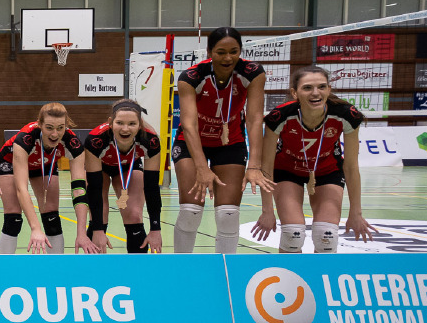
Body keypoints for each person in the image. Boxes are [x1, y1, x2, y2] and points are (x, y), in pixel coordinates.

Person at [251, 66, 375, 253]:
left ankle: (320, 271)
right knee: (293, 235)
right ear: (295, 93)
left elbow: (350, 167)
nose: (315, 93)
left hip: (327, 170)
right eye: (307, 88)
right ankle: (290, 271)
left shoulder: (346, 115)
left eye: (322, 87)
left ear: (329, 89)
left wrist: (355, 213)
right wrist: (267, 210)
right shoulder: (280, 116)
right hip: (287, 170)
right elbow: (266, 165)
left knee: (327, 236)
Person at [172, 26, 274, 253]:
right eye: (221, 52)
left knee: (228, 215)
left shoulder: (252, 73)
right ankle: (182, 265)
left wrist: (254, 166)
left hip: (230, 142)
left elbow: (254, 119)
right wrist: (201, 168)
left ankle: (226, 266)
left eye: (233, 51)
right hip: (192, 143)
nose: (228, 58)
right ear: (209, 52)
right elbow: (189, 125)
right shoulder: (191, 77)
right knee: (190, 212)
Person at [0, 103, 98, 254]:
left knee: (51, 218)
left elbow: (79, 189)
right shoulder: (25, 139)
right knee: (13, 218)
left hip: (44, 163)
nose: (55, 134)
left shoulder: (73, 144)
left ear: (66, 125)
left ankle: (56, 265)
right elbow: (21, 189)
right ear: (40, 125)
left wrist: (82, 233)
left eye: (60, 128)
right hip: (10, 161)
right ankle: (5, 265)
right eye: (49, 128)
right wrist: (35, 228)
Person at [84, 99, 164, 253]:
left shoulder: (150, 140)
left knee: (134, 214)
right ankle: (95, 262)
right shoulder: (95, 140)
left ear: (140, 125)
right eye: (119, 123)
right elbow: (94, 189)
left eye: (132, 124)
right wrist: (98, 230)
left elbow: (152, 187)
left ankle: (137, 264)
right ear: (110, 122)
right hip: (101, 166)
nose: (125, 129)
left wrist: (155, 229)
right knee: (99, 216)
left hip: (129, 165)